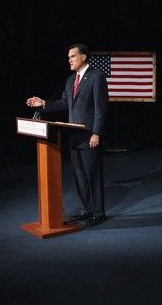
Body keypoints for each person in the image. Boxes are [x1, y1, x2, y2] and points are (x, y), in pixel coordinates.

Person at [26, 44, 108, 227]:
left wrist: (96, 132)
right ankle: (85, 209)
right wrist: (44, 103)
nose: (69, 59)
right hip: (74, 135)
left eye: (73, 56)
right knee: (79, 175)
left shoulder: (97, 77)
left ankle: (98, 212)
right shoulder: (71, 80)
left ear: (84, 57)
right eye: (68, 57)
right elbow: (64, 103)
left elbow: (101, 109)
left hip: (89, 135)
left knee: (92, 174)